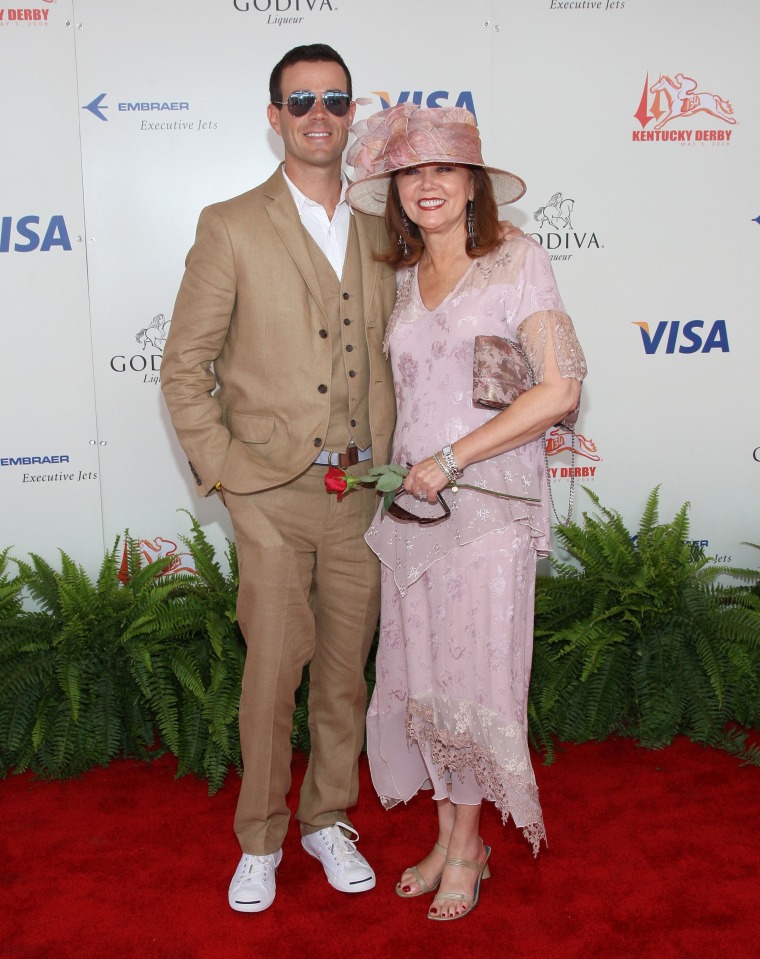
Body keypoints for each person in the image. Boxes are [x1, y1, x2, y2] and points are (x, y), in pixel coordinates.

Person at [160, 43, 398, 913]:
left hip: (362, 490)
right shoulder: (229, 224)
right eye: (300, 102)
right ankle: (259, 837)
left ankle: (327, 818)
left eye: (334, 99)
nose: (319, 115)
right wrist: (227, 475)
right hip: (267, 494)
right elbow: (184, 366)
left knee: (345, 672)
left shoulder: (383, 229)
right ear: (275, 117)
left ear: (351, 112)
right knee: (273, 673)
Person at [344, 103, 587, 921]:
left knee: (475, 681)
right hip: (414, 521)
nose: (427, 184)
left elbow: (559, 388)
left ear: (473, 183)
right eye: (412, 171)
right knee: (427, 681)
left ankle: (469, 846)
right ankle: (454, 839)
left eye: (444, 168)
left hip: (486, 512)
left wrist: (452, 460)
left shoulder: (519, 257)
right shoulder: (405, 279)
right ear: (397, 188)